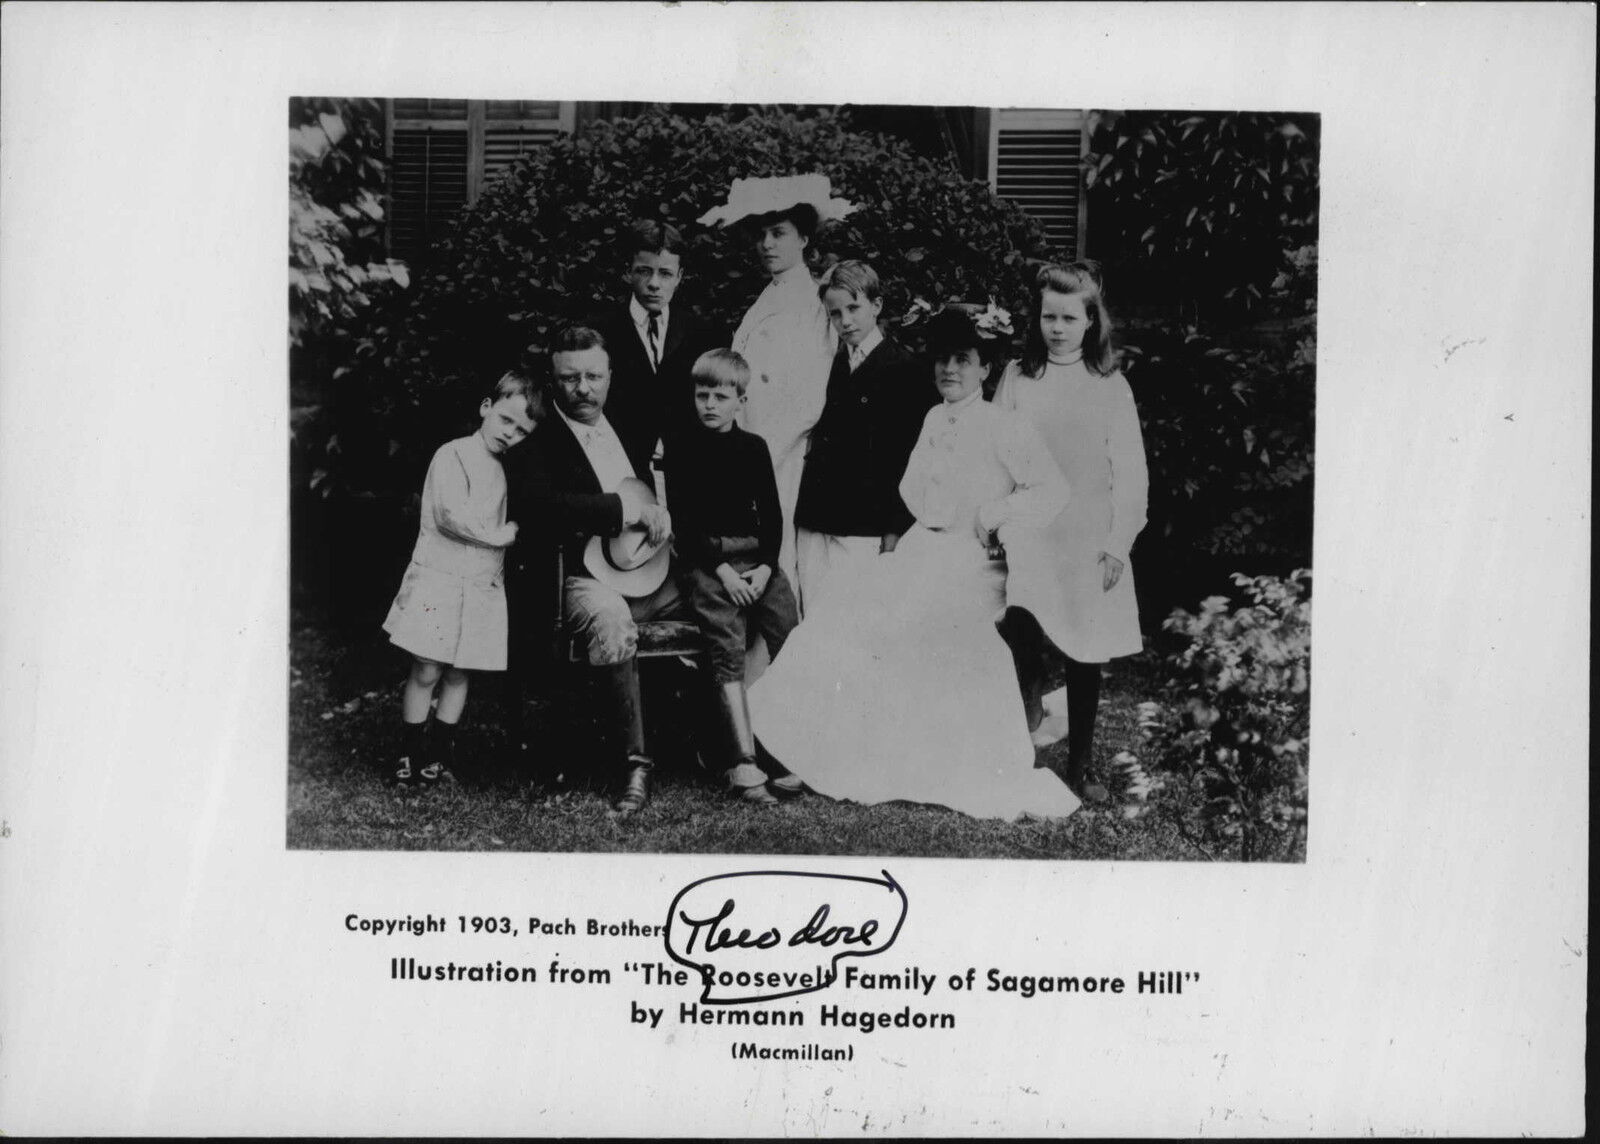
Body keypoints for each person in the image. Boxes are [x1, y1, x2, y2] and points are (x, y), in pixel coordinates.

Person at [746, 306, 1081, 821]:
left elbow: (1053, 490)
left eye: (963, 360)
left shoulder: (1005, 425)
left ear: (985, 368)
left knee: (920, 623)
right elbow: (915, 490)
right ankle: (821, 750)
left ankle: (913, 760)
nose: (950, 370)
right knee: (847, 614)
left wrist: (996, 514)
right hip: (924, 547)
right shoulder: (931, 417)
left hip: (973, 560)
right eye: (943, 360)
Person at [506, 326, 681, 816]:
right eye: (570, 378)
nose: (583, 388)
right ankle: (634, 766)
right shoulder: (536, 438)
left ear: (610, 376)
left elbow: (660, 479)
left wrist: (663, 509)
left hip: (649, 568)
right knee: (612, 623)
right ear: (553, 379)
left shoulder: (630, 421)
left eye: (593, 376)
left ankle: (734, 746)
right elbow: (542, 506)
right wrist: (623, 510)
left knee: (720, 597)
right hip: (581, 574)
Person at [993, 262, 1150, 802]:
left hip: (1086, 536)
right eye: (1047, 317)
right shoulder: (1018, 377)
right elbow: (995, 453)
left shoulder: (1109, 386)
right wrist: (997, 518)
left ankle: (1081, 766)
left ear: (1090, 321)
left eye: (1068, 317)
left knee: (1084, 651)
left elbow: (1131, 474)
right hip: (1031, 533)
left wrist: (1117, 546)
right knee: (1022, 640)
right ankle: (1013, 754)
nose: (1056, 328)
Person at [382, 370, 543, 786]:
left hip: (480, 584)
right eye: (506, 420)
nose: (511, 434)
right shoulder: (452, 454)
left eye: (523, 430)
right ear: (486, 408)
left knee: (459, 672)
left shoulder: (510, 470)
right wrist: (499, 535)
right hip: (440, 578)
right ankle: (410, 753)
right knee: (427, 669)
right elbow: (450, 515)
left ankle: (438, 755)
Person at [698, 174, 853, 595]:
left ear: (804, 238)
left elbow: (809, 398)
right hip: (748, 447)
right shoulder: (767, 297)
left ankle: (778, 660)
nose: (767, 244)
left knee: (776, 556)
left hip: (780, 455)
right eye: (762, 234)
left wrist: (758, 453)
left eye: (779, 233)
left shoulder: (813, 303)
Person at [666, 349, 801, 805]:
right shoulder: (682, 448)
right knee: (727, 645)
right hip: (709, 563)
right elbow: (685, 524)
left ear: (740, 400)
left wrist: (765, 568)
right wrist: (724, 573)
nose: (710, 404)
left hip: (756, 560)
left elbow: (773, 516)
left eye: (721, 396)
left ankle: (790, 750)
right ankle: (743, 762)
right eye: (702, 395)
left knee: (790, 635)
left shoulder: (754, 448)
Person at [793, 260, 935, 612]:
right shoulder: (831, 363)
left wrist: (894, 530)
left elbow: (910, 459)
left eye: (854, 308)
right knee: (814, 619)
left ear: (877, 305)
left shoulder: (904, 370)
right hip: (818, 517)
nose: (846, 321)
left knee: (856, 621)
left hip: (865, 525)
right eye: (835, 313)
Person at [591, 219, 722, 465]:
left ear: (679, 277)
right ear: (628, 271)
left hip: (688, 473)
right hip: (622, 470)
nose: (654, 283)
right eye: (644, 270)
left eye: (665, 273)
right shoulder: (600, 332)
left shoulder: (703, 334)